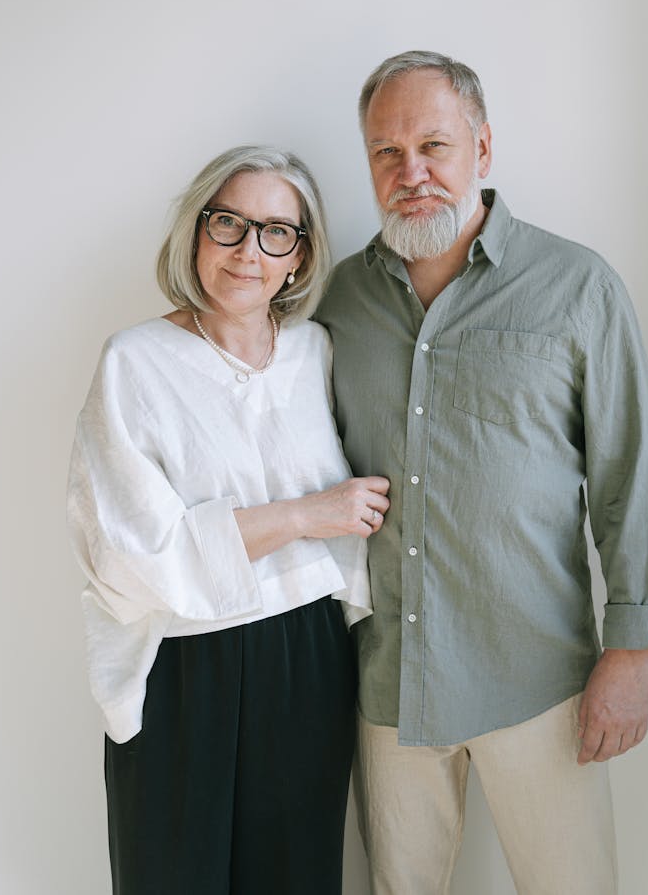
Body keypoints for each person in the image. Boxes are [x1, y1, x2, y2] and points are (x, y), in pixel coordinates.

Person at [316, 51, 648, 895]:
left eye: (434, 145)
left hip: (540, 679)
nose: (413, 174)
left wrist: (631, 653)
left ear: (483, 147)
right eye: (386, 153)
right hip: (387, 680)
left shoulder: (576, 287)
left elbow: (632, 476)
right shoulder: (337, 303)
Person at [67, 145, 390, 895]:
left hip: (308, 654)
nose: (250, 250)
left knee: (298, 873)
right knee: (172, 875)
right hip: (185, 661)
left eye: (277, 231)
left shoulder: (316, 352)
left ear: (300, 256)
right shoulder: (135, 362)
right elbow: (134, 553)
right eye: (230, 224)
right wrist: (308, 514)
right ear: (196, 232)